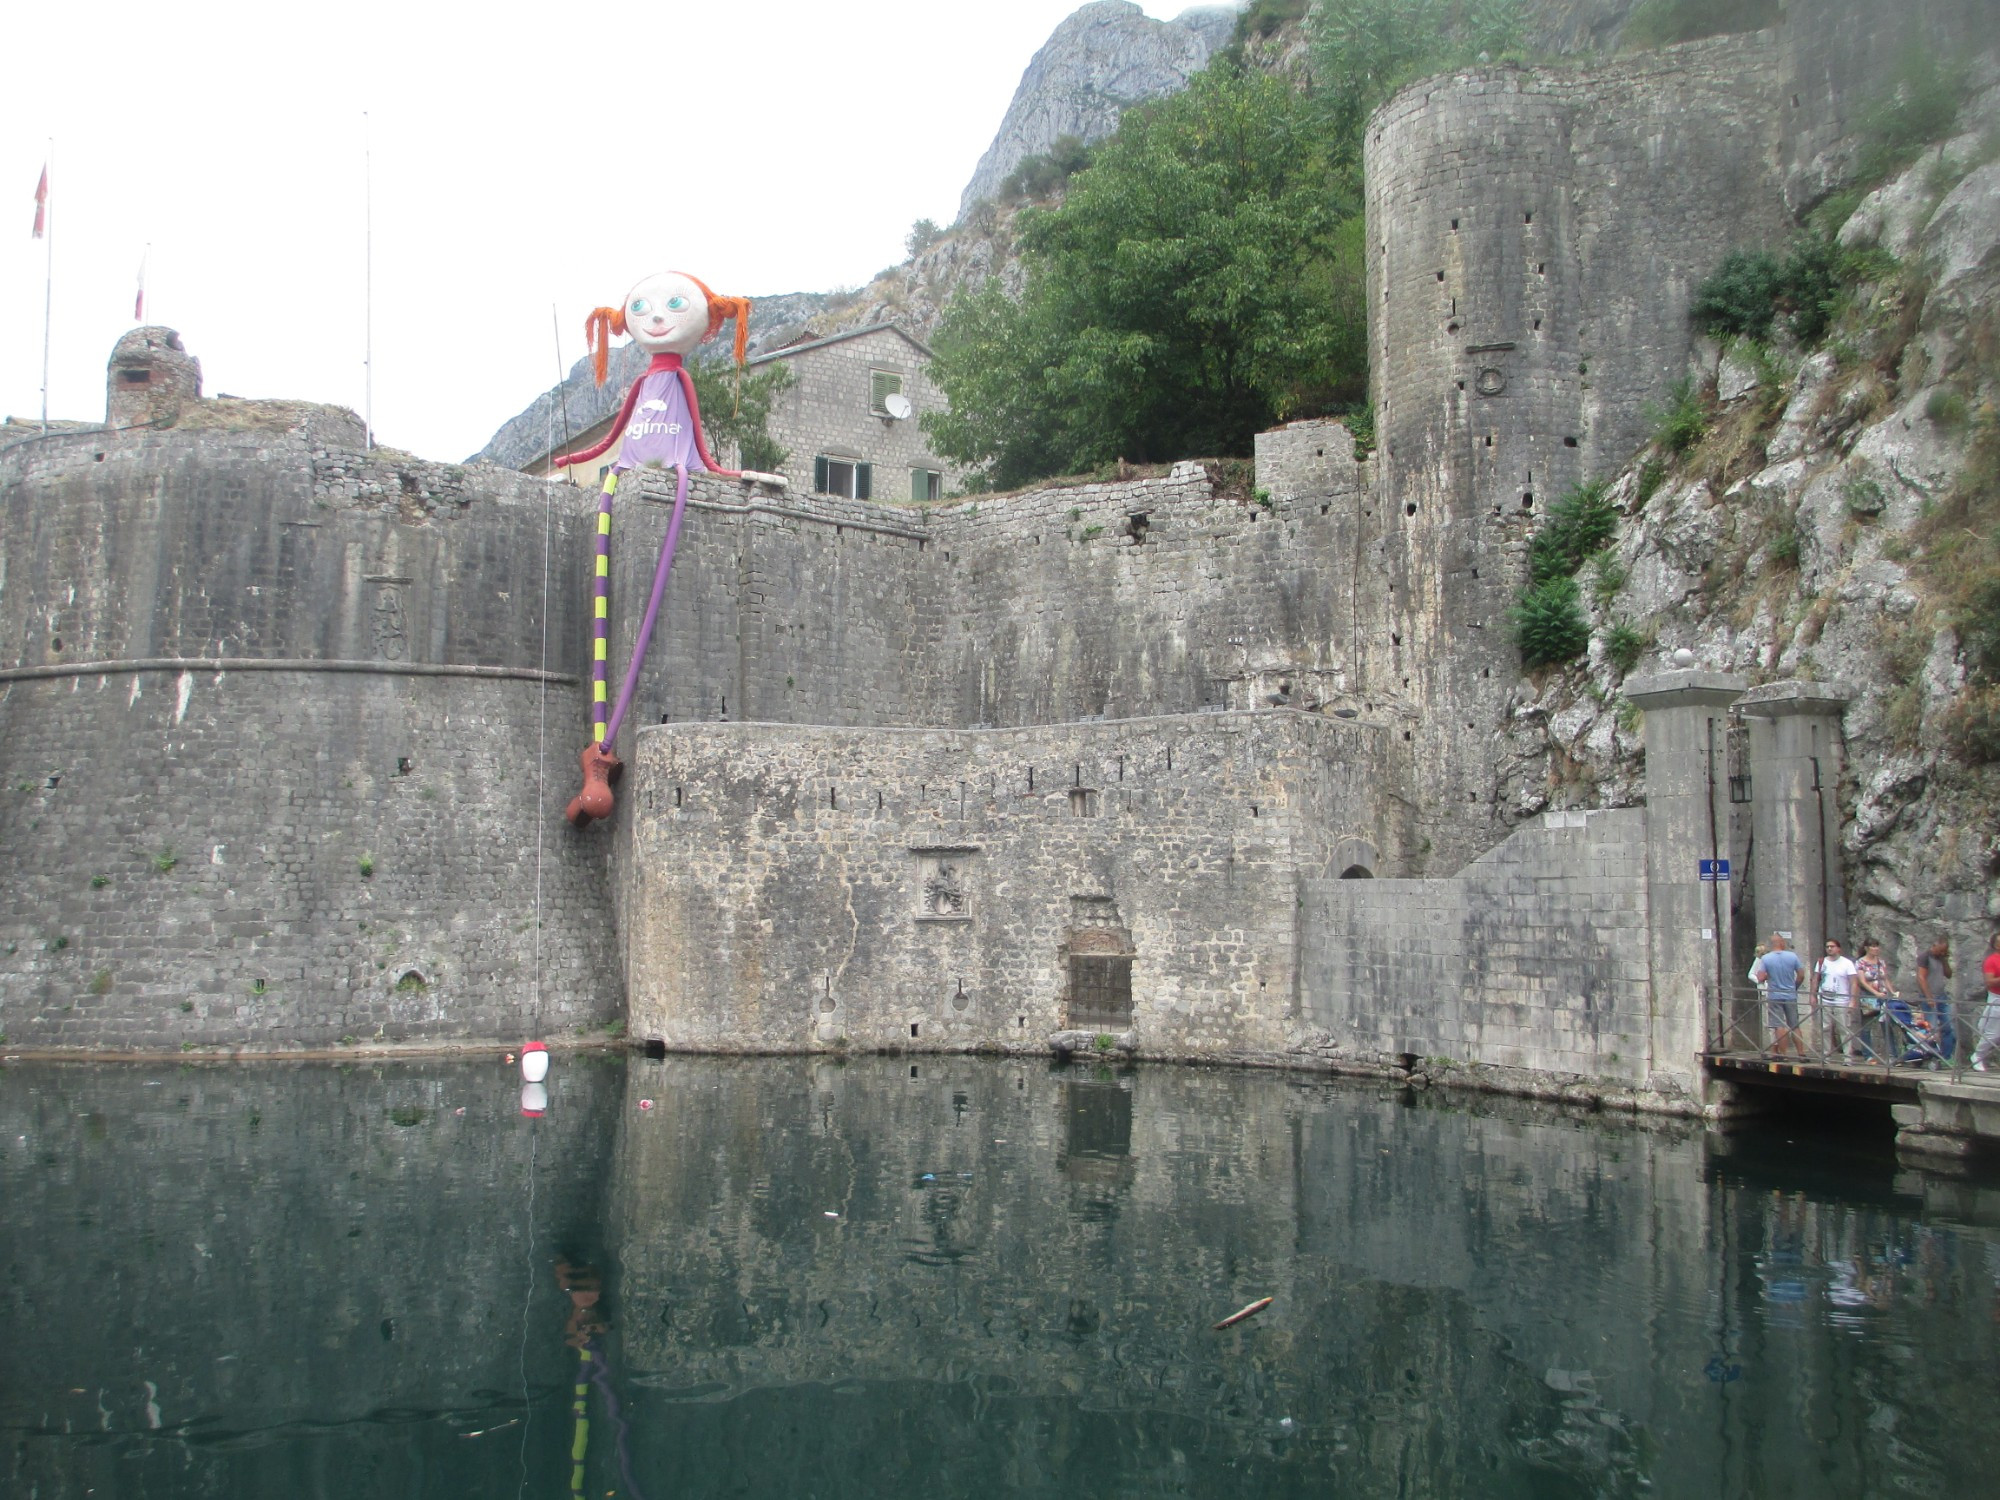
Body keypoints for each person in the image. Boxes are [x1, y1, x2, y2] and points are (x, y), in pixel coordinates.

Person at [1753, 934, 1807, 1056]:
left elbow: (1760, 977)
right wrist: (1794, 987)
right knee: (1794, 1025)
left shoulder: (1766, 958)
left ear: (1772, 945)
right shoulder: (1792, 956)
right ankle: (1801, 1053)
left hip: (1774, 995)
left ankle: (1783, 1054)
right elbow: (1801, 975)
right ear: (1782, 943)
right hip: (1790, 995)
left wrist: (1768, 976)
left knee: (1778, 1026)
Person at [1815, 939, 1862, 1061]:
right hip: (1825, 998)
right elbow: (1816, 979)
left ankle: (1847, 1056)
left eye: (1832, 946)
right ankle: (1826, 1055)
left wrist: (1852, 1001)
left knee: (1844, 1028)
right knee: (1825, 1027)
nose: (1829, 948)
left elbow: (1853, 983)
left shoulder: (1846, 963)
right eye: (1827, 946)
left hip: (1842, 999)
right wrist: (1813, 995)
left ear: (1838, 949)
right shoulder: (1822, 962)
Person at [1915, 936, 1955, 1068]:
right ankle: (1931, 1056)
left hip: (1942, 996)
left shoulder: (1941, 958)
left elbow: (1949, 974)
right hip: (1929, 996)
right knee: (1930, 1028)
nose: (1942, 953)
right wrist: (1929, 997)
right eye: (1941, 951)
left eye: (1944, 951)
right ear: (1935, 946)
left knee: (1948, 1026)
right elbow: (1921, 977)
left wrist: (1945, 960)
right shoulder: (1925, 956)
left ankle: (1946, 1057)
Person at [1854, 940, 1894, 1063]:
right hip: (1868, 996)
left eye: (1877, 946)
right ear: (1866, 948)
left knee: (1887, 1024)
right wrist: (1874, 992)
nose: (1875, 948)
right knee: (1867, 1026)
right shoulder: (1860, 962)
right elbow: (1862, 981)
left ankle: (1892, 1055)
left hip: (1883, 995)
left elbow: (1885, 978)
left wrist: (1892, 992)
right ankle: (1868, 1055)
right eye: (1872, 946)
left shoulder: (1881, 962)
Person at [1973, 931, 2000, 1074]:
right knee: (1993, 1033)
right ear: (1996, 945)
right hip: (1997, 998)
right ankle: (1977, 1056)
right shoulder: (1992, 960)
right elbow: (1989, 982)